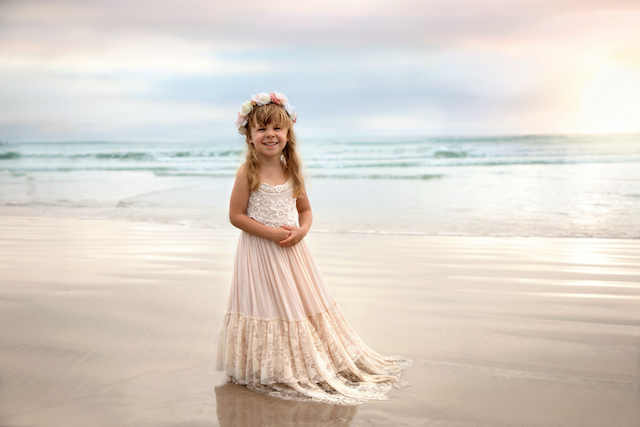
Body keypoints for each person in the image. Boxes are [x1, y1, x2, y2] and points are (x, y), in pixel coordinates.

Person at [216, 92, 410, 405]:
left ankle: (305, 360)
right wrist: (270, 233)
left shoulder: (292, 171)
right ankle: (268, 368)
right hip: (260, 252)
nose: (270, 135)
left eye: (277, 128)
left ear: (288, 134)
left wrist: (302, 231)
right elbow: (236, 216)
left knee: (298, 303)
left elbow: (305, 212)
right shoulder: (246, 172)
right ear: (249, 136)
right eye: (262, 129)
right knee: (266, 305)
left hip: (292, 251)